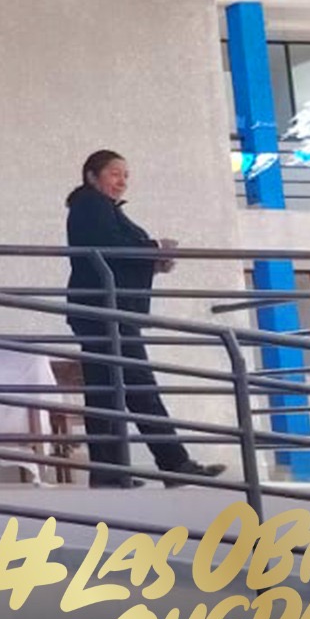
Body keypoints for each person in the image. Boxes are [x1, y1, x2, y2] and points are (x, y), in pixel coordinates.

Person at [66, 150, 226, 488]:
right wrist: (154, 248)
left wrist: (152, 259)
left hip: (105, 310)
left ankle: (121, 470)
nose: (122, 181)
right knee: (133, 387)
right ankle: (167, 464)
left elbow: (114, 253)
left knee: (115, 389)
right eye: (114, 173)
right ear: (92, 176)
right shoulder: (92, 206)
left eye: (126, 175)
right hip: (105, 312)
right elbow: (110, 247)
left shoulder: (98, 208)